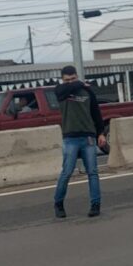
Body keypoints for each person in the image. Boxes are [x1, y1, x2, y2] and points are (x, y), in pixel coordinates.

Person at [53, 65, 106, 219]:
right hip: (70, 138)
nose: (70, 83)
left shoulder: (87, 91)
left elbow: (96, 112)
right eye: (67, 80)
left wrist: (100, 133)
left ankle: (95, 204)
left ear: (77, 76)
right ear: (62, 80)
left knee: (93, 172)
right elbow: (63, 90)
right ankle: (58, 202)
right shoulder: (61, 91)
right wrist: (79, 83)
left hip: (88, 136)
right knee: (67, 171)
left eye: (73, 79)